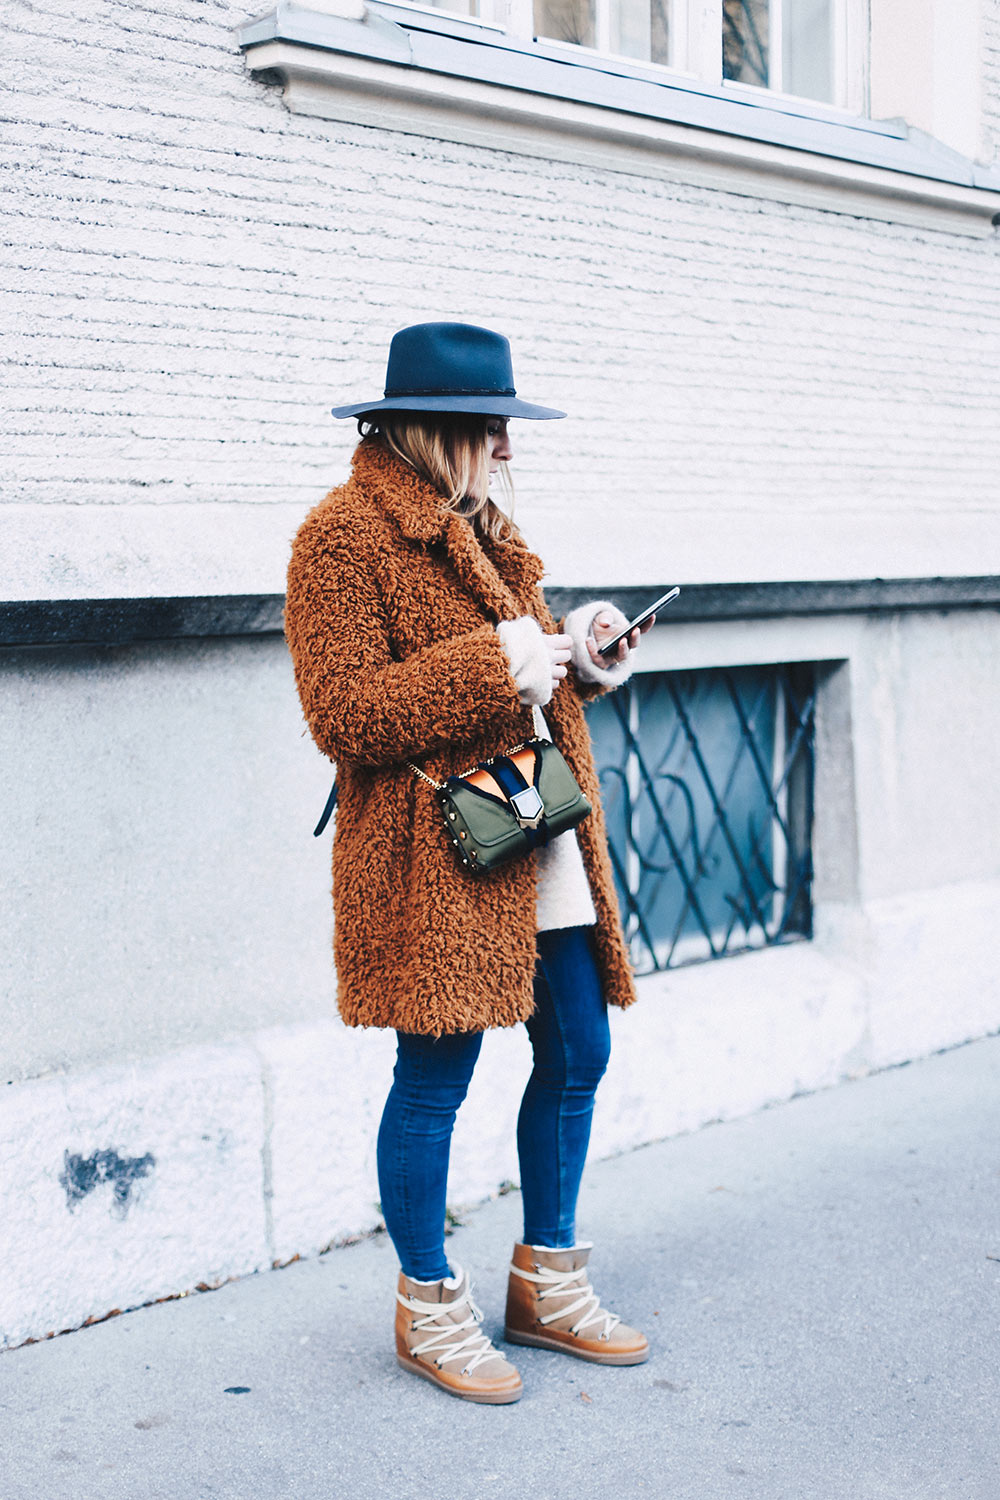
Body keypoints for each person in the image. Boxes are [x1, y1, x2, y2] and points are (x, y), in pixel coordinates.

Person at [284, 322, 655, 1405]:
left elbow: (524, 671)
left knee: (579, 1048)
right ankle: (428, 1304)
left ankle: (546, 1280)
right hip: (437, 850)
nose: (509, 446)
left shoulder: (482, 524)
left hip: (531, 824)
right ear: (439, 428)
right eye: (496, 426)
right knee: (434, 1082)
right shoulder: (340, 538)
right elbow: (341, 713)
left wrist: (575, 653)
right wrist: (497, 661)